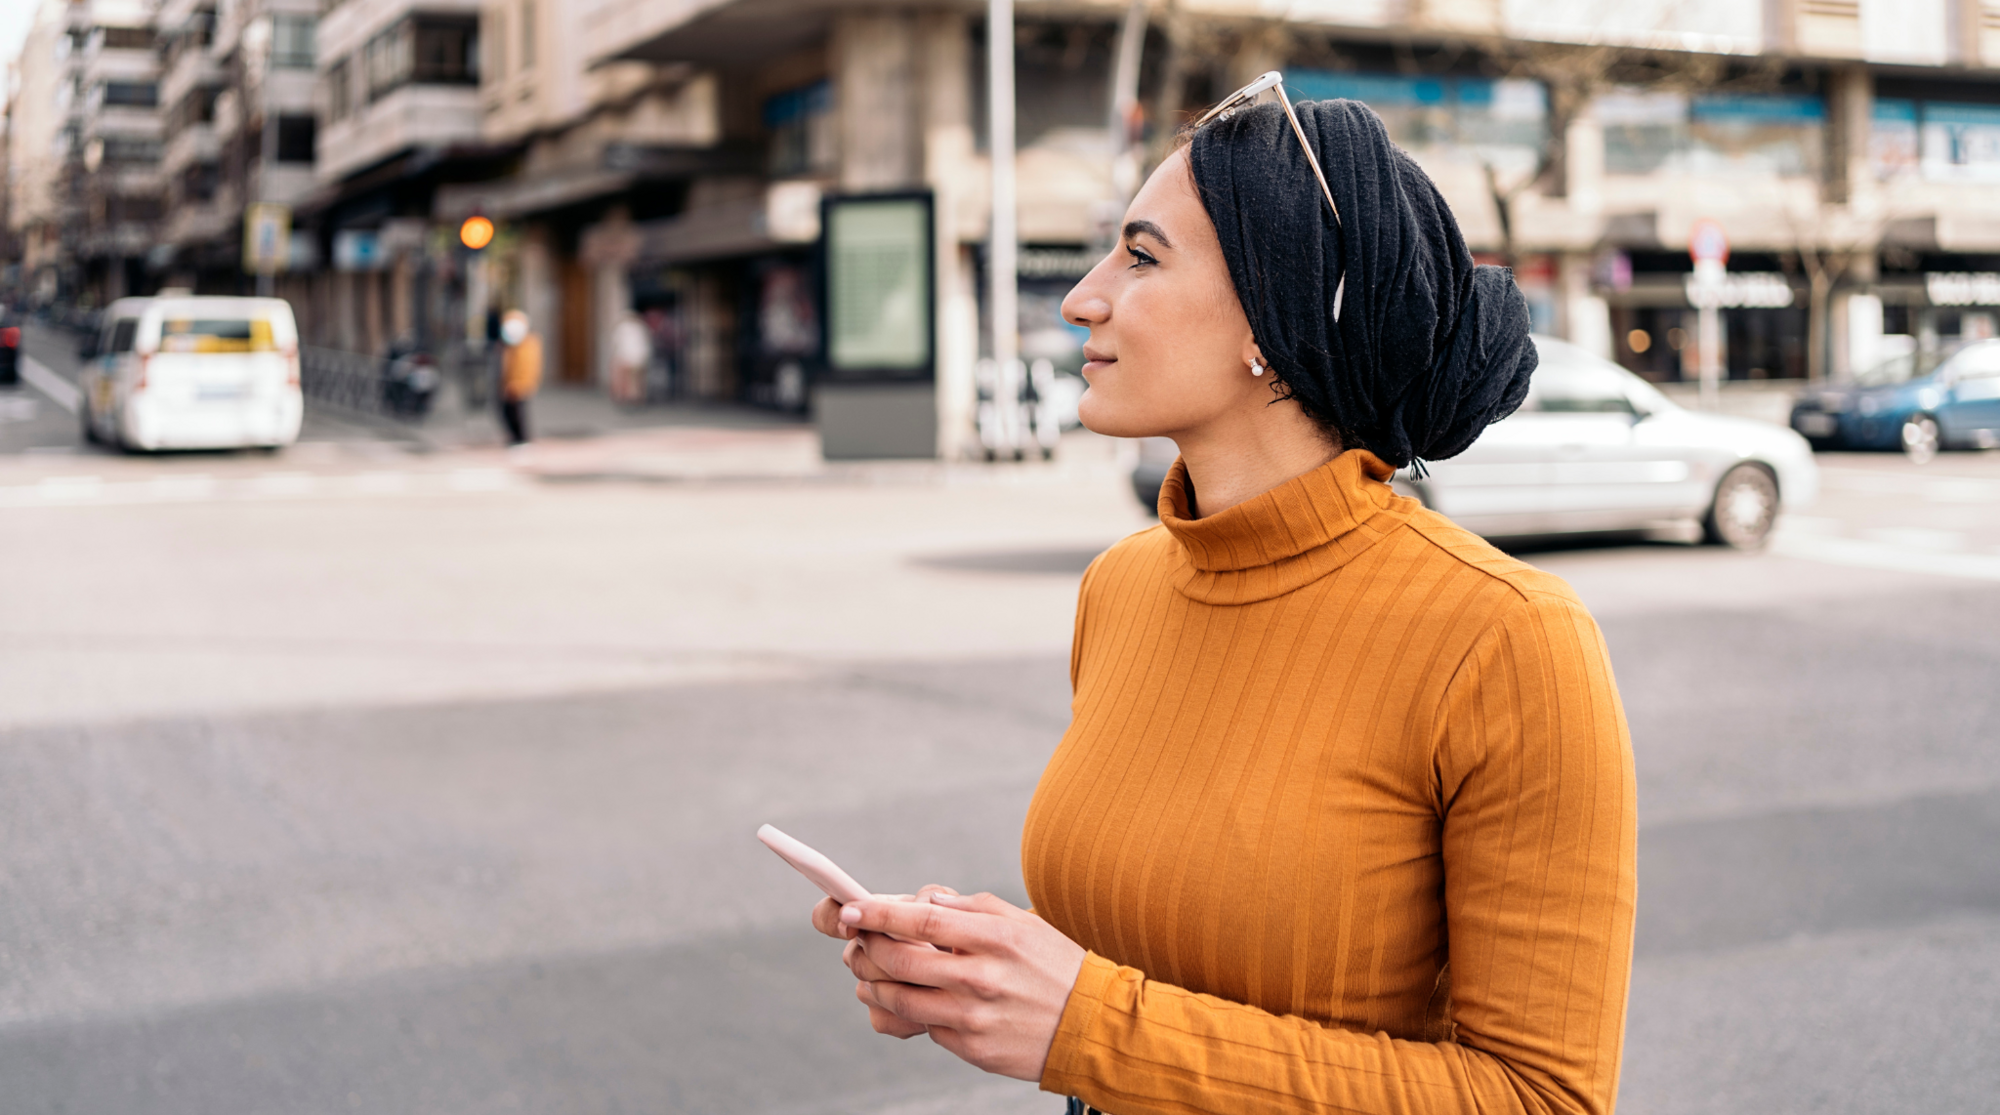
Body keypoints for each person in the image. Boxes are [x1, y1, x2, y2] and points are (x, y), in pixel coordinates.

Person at [809, 81, 1636, 1115]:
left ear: (1272, 314)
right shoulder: (1122, 584)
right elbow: (1164, 931)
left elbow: (1541, 1096)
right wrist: (981, 967)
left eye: (1142, 257)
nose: (1082, 298)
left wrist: (1088, 1026)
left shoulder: (1507, 637)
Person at [497, 309, 541, 446]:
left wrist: (517, 384)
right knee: (508, 412)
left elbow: (528, 367)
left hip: (518, 386)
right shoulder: (510, 346)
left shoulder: (528, 345)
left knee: (518, 413)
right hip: (509, 384)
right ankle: (516, 438)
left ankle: (521, 439)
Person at [608, 311, 652, 406]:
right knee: (637, 379)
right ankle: (638, 397)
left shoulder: (622, 327)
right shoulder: (641, 327)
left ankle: (624, 396)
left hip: (627, 357)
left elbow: (616, 343)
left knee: (625, 377)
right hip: (640, 358)